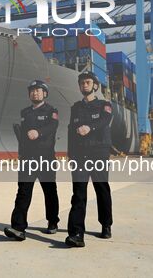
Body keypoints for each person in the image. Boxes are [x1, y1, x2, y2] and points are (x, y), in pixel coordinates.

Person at [4, 80, 60, 241]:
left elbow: (53, 127)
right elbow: (22, 137)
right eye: (32, 90)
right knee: (23, 192)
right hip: (28, 158)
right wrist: (21, 154)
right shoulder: (25, 112)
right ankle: (18, 228)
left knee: (49, 191)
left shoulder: (51, 111)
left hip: (45, 158)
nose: (35, 93)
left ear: (45, 94)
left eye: (38, 90)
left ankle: (52, 221)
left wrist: (38, 132)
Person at [65, 71, 113, 248]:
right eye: (82, 83)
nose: (84, 85)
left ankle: (106, 224)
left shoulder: (104, 105)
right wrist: (70, 155)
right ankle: (76, 233)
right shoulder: (75, 108)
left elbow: (105, 121)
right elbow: (71, 131)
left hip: (98, 153)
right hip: (79, 156)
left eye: (87, 82)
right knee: (78, 194)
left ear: (95, 85)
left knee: (102, 190)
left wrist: (89, 128)